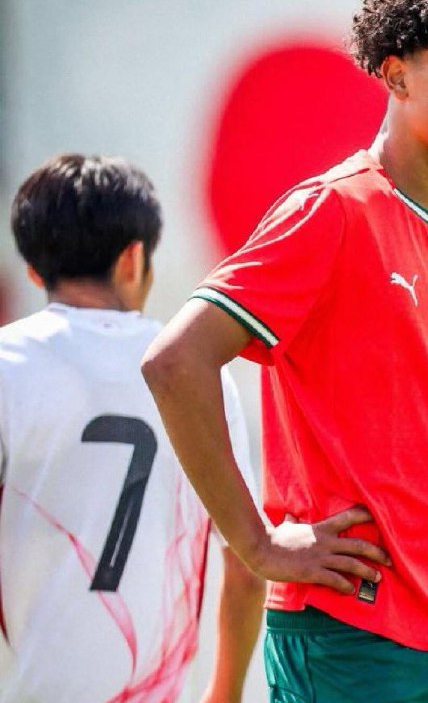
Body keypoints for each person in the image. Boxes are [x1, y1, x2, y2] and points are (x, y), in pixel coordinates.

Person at [142, 0, 428, 702]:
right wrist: (257, 544)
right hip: (353, 620)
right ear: (395, 75)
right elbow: (175, 362)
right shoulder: (333, 209)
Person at [0, 154, 265, 703]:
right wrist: (225, 692)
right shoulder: (196, 372)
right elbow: (246, 566)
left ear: (34, 271)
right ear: (133, 258)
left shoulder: (7, 364)